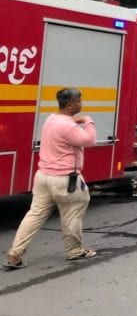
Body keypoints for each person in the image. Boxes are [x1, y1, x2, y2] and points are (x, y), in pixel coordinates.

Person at [5, 88, 97, 269]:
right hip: (65, 180)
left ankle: (15, 253)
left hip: (43, 177)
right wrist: (88, 121)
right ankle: (75, 251)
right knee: (72, 215)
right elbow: (89, 140)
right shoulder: (68, 126)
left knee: (35, 215)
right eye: (79, 101)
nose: (81, 104)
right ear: (70, 105)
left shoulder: (51, 119)